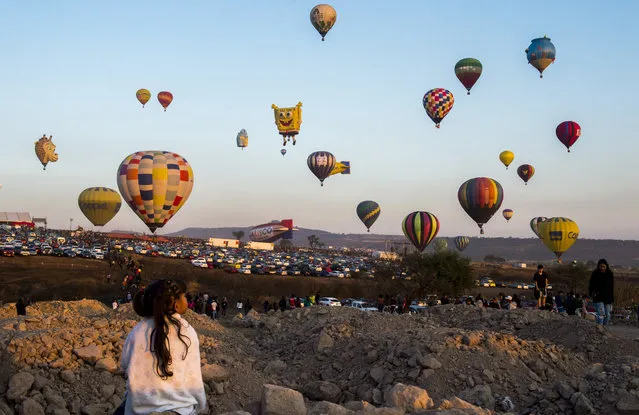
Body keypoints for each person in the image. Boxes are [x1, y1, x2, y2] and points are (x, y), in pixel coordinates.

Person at [118, 279, 206, 415]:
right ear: (176, 304)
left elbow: (124, 366)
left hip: (138, 410)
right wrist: (200, 406)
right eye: (184, 296)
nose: (186, 300)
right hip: (180, 410)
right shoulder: (187, 332)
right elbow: (194, 381)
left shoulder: (137, 331)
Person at [589, 259, 615, 325]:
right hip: (598, 298)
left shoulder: (609, 274)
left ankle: (604, 329)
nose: (602, 268)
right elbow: (591, 285)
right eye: (601, 266)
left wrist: (612, 299)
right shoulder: (595, 274)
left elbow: (611, 288)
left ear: (606, 266)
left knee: (607, 315)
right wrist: (592, 293)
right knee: (601, 314)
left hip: (607, 298)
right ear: (598, 266)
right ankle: (599, 329)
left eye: (603, 266)